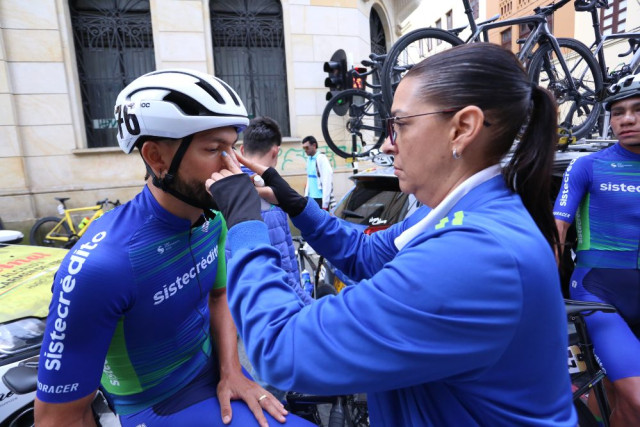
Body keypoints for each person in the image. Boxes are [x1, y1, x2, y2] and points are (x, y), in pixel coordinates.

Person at [206, 43, 576, 425]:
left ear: (463, 128)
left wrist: (245, 225)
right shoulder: (452, 213)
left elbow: (281, 349)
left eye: (399, 125)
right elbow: (364, 253)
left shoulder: (476, 253)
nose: (387, 143)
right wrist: (294, 202)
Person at [34, 69, 311, 427]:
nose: (233, 166)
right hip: (157, 407)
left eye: (232, 148)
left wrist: (231, 370)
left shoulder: (213, 216)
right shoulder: (103, 266)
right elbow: (58, 418)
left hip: (213, 376)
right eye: (213, 149)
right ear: (156, 157)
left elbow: (219, 295)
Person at [553, 73, 640, 425]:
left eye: (636, 110)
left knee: (625, 407)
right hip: (600, 294)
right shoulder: (589, 165)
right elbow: (556, 228)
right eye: (618, 113)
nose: (627, 119)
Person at [240, 116, 313, 401]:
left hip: (246, 314)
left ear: (243, 150)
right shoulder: (266, 201)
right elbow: (282, 270)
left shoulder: (230, 190)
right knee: (271, 394)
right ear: (276, 151)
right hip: (270, 318)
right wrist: (310, 307)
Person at [301, 136, 334, 210]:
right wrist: (306, 196)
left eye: (307, 147)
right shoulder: (309, 159)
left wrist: (325, 204)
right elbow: (309, 179)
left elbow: (327, 181)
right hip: (310, 199)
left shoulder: (321, 159)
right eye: (304, 148)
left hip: (320, 199)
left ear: (314, 145)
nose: (305, 150)